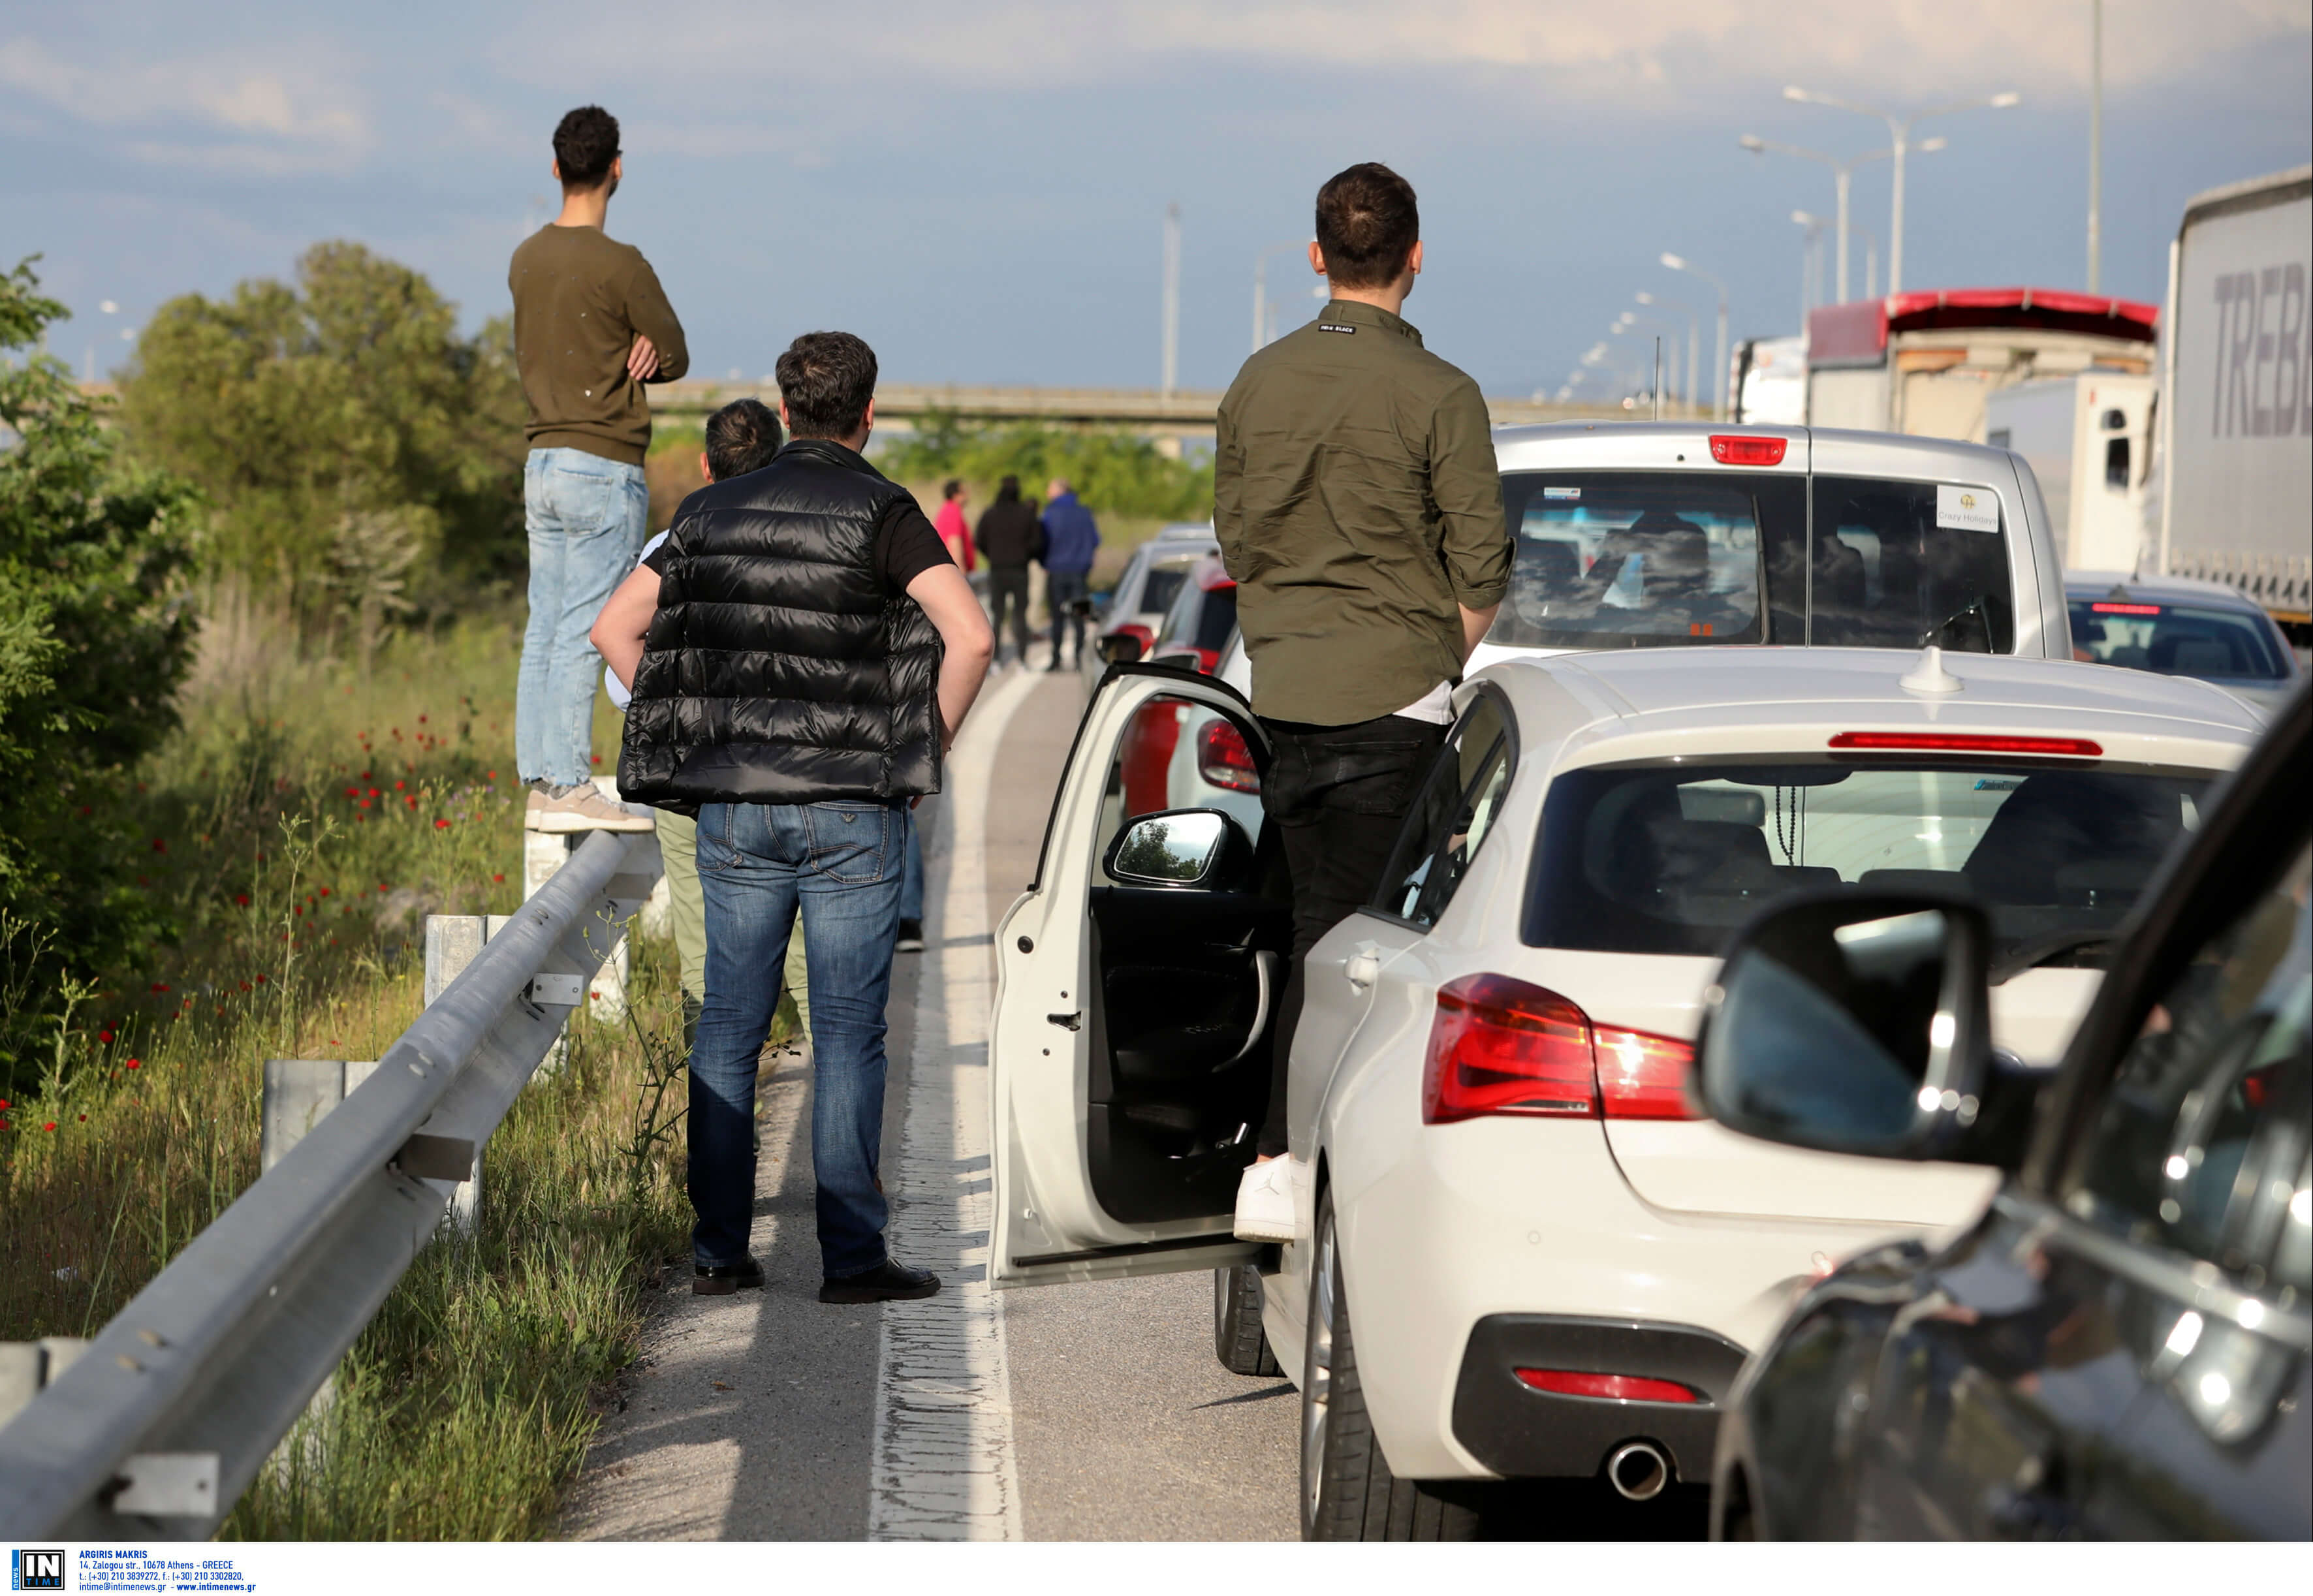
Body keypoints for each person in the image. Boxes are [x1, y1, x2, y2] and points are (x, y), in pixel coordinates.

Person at [596, 331, 995, 1304]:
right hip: (854, 811)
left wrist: (691, 728)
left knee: (729, 1026)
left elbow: (614, 627)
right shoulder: (884, 512)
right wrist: (913, 755)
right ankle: (853, 1261)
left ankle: (719, 1252)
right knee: (850, 1033)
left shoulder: (708, 508)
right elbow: (971, 637)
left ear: (783, 414)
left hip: (734, 809)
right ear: (867, 413)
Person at [1213, 163, 1510, 1242]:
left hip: (1281, 698)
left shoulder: (1255, 381)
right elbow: (1480, 567)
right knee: (1374, 954)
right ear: (1415, 256)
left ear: (1314, 258)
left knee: (1306, 934)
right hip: (1397, 707)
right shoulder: (1442, 396)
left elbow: (1239, 546)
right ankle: (1299, 1167)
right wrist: (1430, 659)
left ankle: (1283, 1162)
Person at [509, 104, 688, 833]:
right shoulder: (622, 265)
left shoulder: (524, 258)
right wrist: (645, 344)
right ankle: (572, 784)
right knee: (589, 624)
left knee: (544, 622)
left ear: (556, 168)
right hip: (603, 463)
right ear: (617, 167)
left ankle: (542, 780)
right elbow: (675, 351)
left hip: (541, 460)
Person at [595, 397, 784, 1045]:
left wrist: (674, 708)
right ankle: (830, 1089)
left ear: (706, 465)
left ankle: (717, 1093)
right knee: (803, 933)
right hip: (778, 765)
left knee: (701, 933)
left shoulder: (669, 544)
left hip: (690, 772)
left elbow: (614, 642)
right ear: (778, 465)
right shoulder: (802, 539)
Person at [975, 475, 1042, 665]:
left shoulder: (990, 513)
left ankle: (995, 659)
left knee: (998, 614)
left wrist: (993, 555)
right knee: (1020, 614)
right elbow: (1037, 543)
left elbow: (979, 540)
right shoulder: (1026, 514)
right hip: (1020, 570)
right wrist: (1024, 555)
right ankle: (1022, 657)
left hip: (997, 570)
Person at [1039, 477, 1101, 670]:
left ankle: (1056, 658)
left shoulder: (1050, 513)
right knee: (1079, 616)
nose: (1048, 493)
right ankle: (1079, 657)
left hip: (1056, 571)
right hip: (1079, 573)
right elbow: (1095, 540)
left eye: (1050, 489)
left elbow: (1040, 540)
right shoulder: (1084, 513)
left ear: (1059, 491)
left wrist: (1044, 561)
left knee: (1057, 617)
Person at [933, 479, 975, 578]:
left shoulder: (947, 509)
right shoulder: (953, 512)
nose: (967, 495)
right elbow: (954, 543)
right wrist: (962, 574)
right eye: (964, 492)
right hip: (956, 573)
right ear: (956, 495)